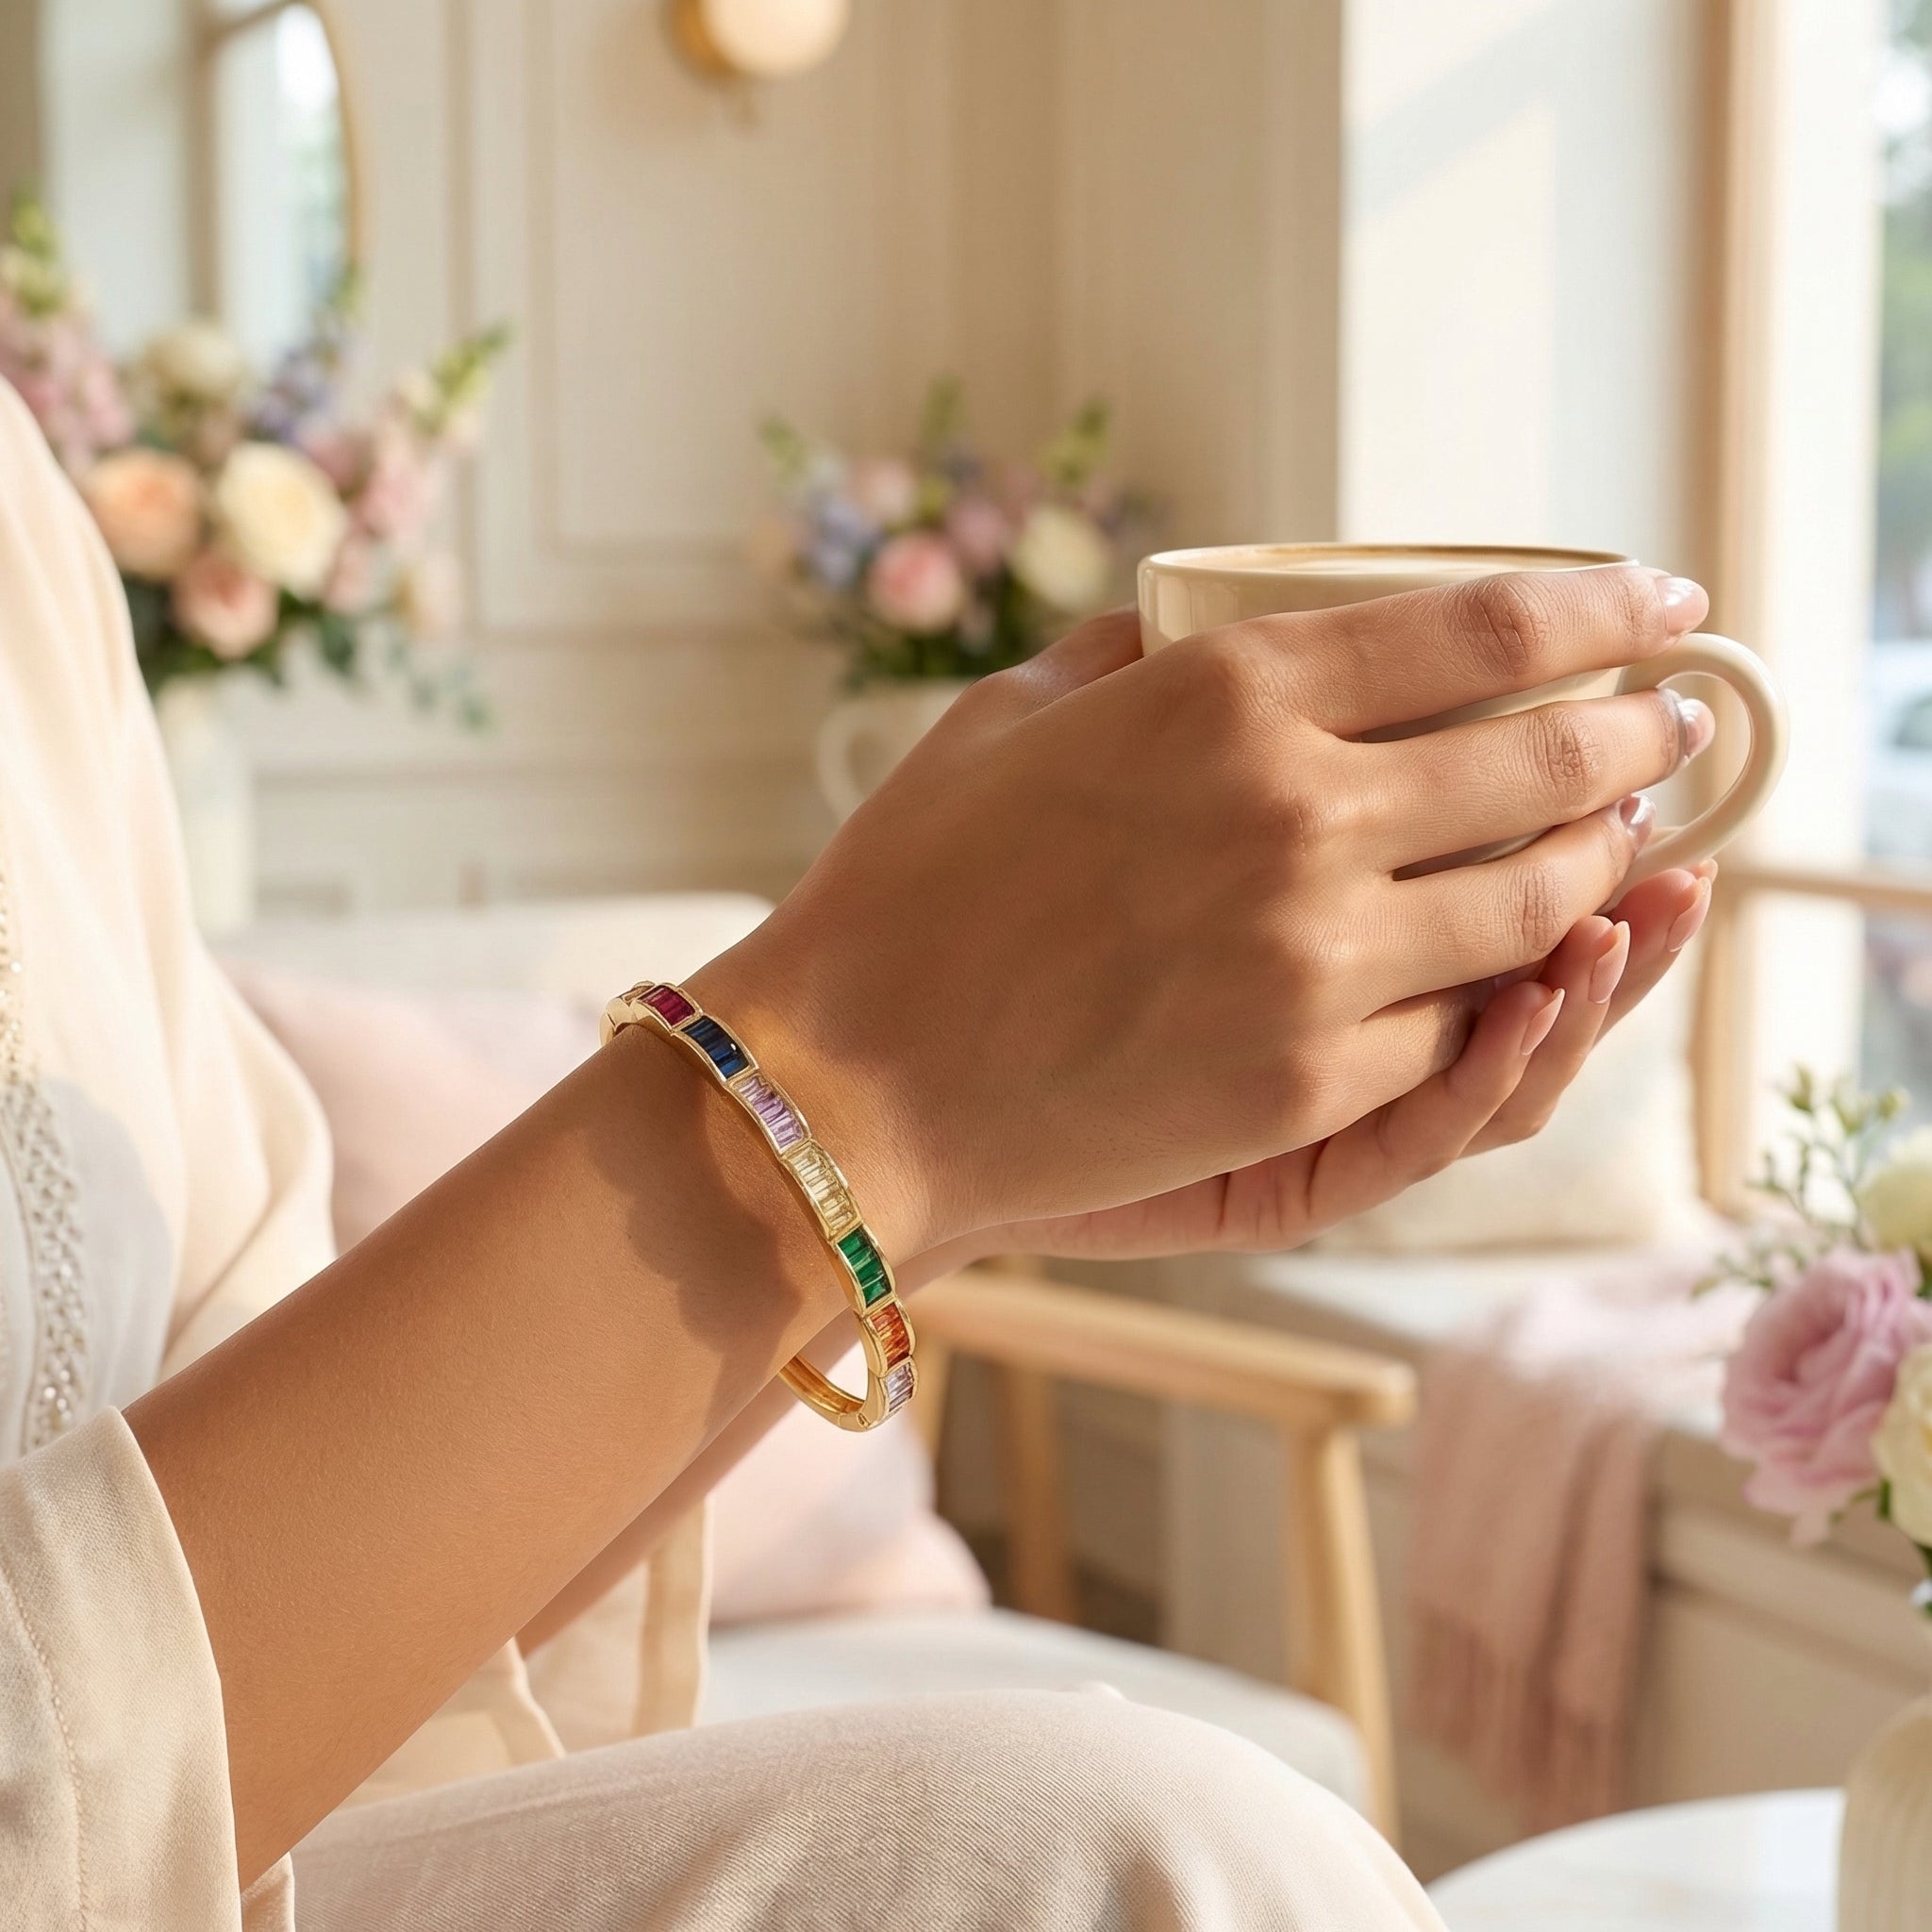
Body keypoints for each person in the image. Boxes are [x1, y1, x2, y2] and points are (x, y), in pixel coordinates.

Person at [0, 373, 1717, 1929]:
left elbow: (312, 1598)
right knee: (1147, 1854)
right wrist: (857, 1091)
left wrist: (940, 1187)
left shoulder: (28, 540)